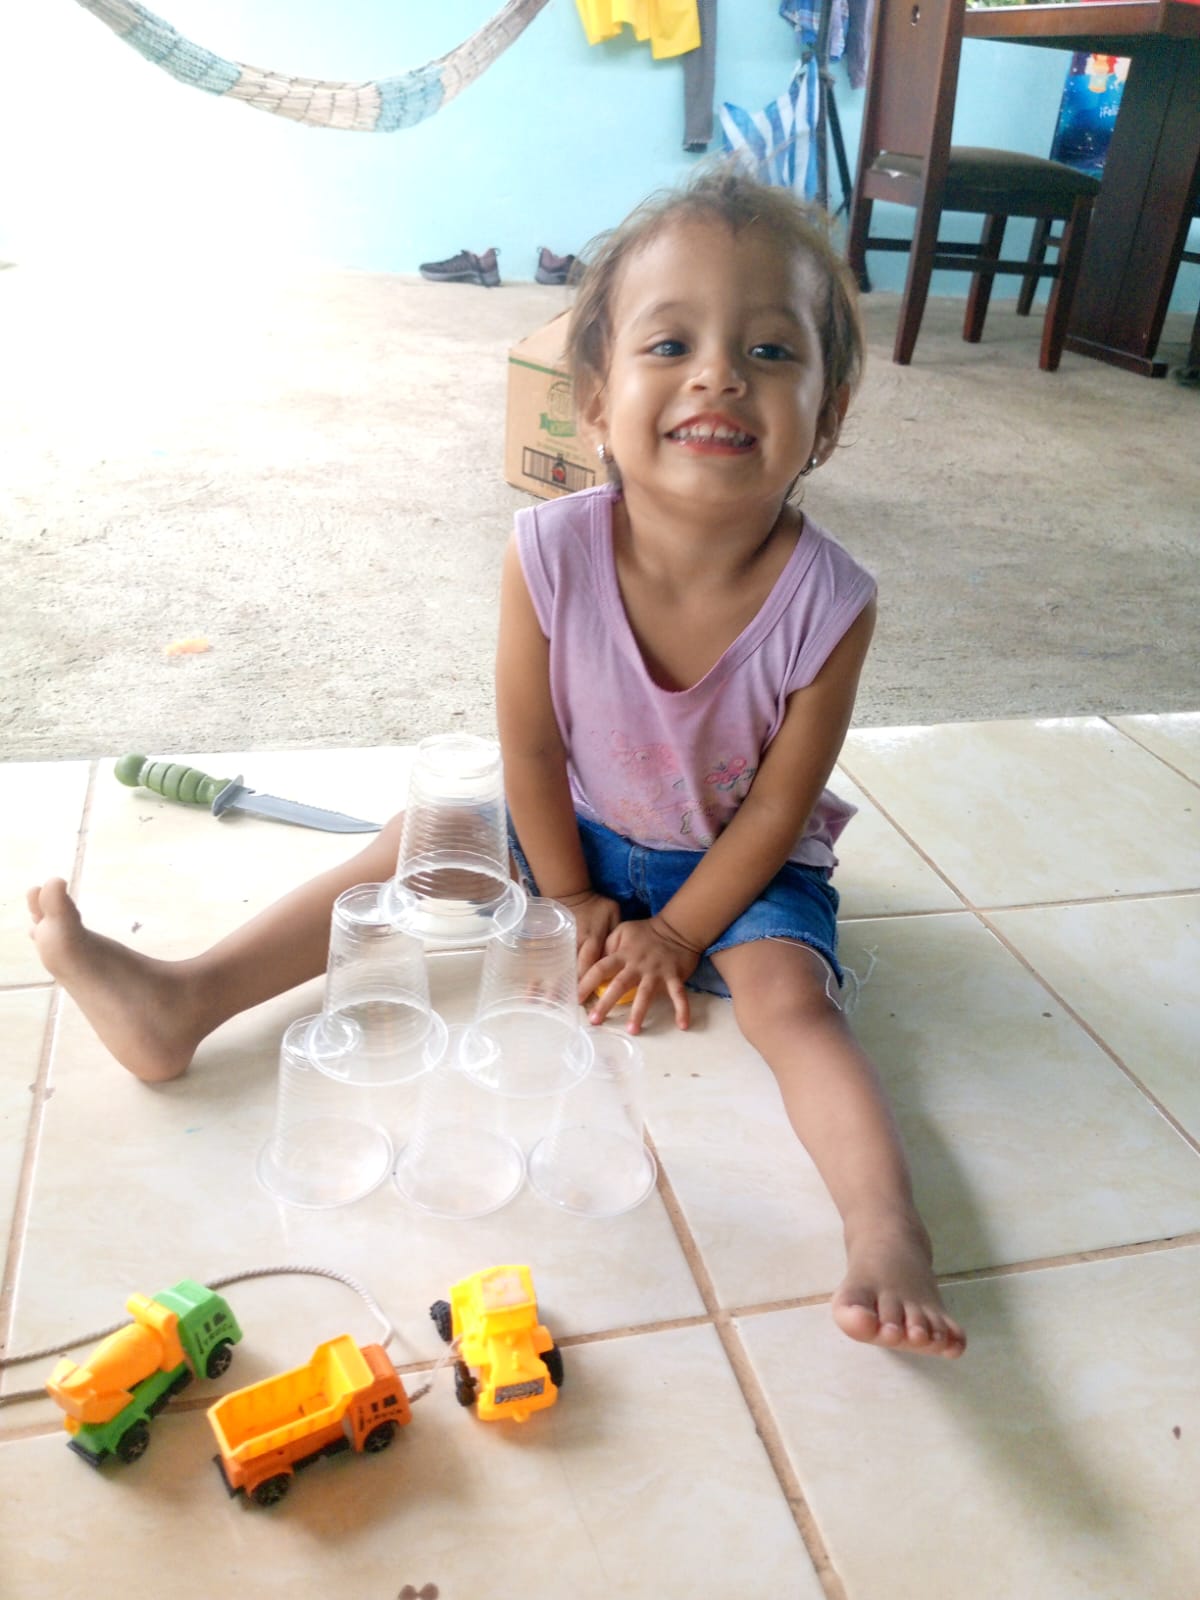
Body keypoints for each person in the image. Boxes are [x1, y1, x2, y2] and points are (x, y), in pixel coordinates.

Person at [28, 166, 965, 1359]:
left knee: (795, 1005)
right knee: (407, 851)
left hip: (740, 863)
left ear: (827, 416)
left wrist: (679, 932)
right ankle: (185, 999)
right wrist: (566, 894)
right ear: (597, 399)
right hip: (572, 822)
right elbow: (528, 743)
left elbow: (781, 806)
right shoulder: (548, 552)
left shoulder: (832, 602)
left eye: (772, 351)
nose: (720, 375)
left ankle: (887, 1227)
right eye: (670, 343)